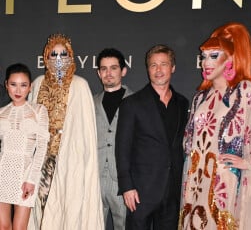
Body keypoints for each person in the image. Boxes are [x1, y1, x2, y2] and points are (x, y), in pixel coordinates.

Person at [178, 22, 251, 230]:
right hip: (196, 183)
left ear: (229, 59)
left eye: (214, 56)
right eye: (204, 56)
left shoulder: (245, 91)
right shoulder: (200, 98)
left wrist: (250, 161)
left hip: (225, 185)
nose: (205, 62)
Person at [27, 33, 104, 229]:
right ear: (46, 57)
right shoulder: (37, 84)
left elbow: (85, 131)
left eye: (64, 54)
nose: (59, 59)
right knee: (42, 209)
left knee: (69, 210)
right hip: (42, 162)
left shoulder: (79, 85)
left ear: (70, 57)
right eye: (54, 54)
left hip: (71, 159)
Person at [116, 44, 189, 230]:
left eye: (163, 64)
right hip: (140, 192)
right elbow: (122, 148)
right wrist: (126, 187)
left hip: (173, 191)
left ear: (172, 68)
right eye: (153, 65)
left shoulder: (182, 103)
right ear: (147, 69)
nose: (158, 70)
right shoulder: (131, 104)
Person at [0, 63, 49, 230]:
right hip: (2, 173)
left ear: (30, 87)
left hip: (26, 174)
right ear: (6, 85)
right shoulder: (1, 113)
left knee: (20, 228)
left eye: (23, 85)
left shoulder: (39, 111)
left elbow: (42, 147)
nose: (18, 90)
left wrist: (31, 179)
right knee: (3, 226)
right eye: (13, 84)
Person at [94, 48, 133, 229]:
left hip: (123, 181)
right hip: (95, 178)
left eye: (114, 68)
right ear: (98, 73)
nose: (108, 73)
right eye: (104, 69)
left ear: (123, 71)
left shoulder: (136, 102)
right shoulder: (90, 102)